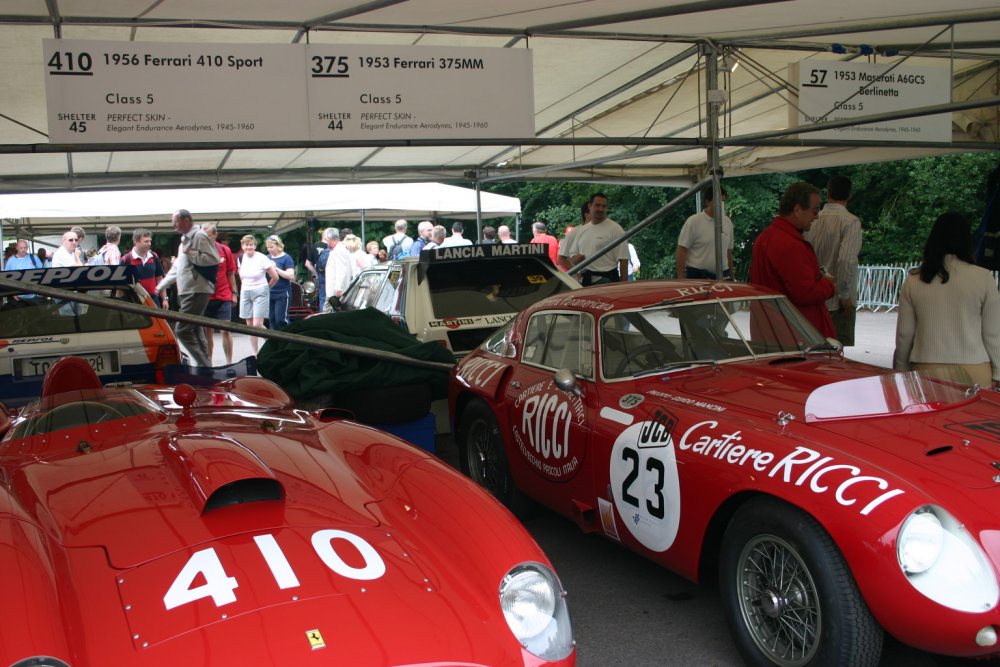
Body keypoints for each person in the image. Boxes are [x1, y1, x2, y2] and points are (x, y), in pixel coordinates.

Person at [893, 212, 1000, 388]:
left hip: (926, 371)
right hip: (975, 371)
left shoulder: (914, 280)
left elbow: (904, 335)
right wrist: (997, 371)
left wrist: (901, 367)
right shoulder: (983, 278)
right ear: (967, 240)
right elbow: (993, 333)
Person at [750, 182, 835, 338]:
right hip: (794, 334)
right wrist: (828, 283)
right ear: (797, 210)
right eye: (814, 211)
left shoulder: (766, 237)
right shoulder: (789, 244)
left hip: (770, 329)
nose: (816, 217)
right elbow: (805, 293)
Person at [155, 209, 220, 367]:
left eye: (175, 222)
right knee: (195, 329)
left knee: (182, 330)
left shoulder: (199, 236)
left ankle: (204, 365)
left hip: (196, 289)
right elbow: (177, 267)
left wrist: (190, 253)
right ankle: (206, 366)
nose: (174, 226)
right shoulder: (185, 240)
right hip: (189, 290)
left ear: (185, 220)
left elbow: (213, 259)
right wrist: (161, 286)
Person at [804, 175, 863, 346]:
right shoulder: (851, 222)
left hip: (813, 294)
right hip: (836, 299)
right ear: (850, 195)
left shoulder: (813, 219)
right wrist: (844, 295)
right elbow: (846, 260)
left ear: (828, 193)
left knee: (812, 348)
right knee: (835, 351)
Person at [561, 193, 629, 285]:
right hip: (585, 280)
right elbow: (573, 256)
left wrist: (623, 286)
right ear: (590, 206)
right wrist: (576, 259)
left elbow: (624, 259)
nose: (600, 209)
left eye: (604, 206)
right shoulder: (582, 230)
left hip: (607, 280)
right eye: (597, 205)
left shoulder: (616, 229)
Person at [676, 186, 734, 279]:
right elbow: (682, 249)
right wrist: (680, 277)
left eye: (723, 201)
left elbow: (729, 252)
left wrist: (732, 275)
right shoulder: (693, 221)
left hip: (724, 275)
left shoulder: (728, 222)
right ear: (707, 202)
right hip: (698, 276)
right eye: (718, 201)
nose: (721, 205)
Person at [202, 223, 238, 364]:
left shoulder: (224, 250)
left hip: (223, 295)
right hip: (204, 297)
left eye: (209, 235)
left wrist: (234, 293)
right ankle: (208, 363)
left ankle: (229, 363)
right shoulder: (197, 251)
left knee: (225, 330)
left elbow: (230, 274)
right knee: (207, 331)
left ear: (215, 235)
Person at [238, 235, 277, 355]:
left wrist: (266, 288)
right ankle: (255, 353)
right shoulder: (240, 258)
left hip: (261, 290)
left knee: (257, 324)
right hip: (246, 291)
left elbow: (275, 277)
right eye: (246, 244)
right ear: (242, 246)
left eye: (251, 244)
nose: (248, 247)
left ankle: (273, 342)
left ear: (255, 246)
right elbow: (241, 276)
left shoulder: (262, 257)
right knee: (250, 326)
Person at [121, 228, 167, 308]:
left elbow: (159, 278)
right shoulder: (126, 259)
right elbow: (121, 285)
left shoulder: (154, 257)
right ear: (136, 241)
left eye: (150, 241)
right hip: (134, 301)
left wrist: (164, 299)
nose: (149, 244)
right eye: (146, 241)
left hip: (153, 300)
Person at [265, 234, 295, 330]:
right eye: (268, 247)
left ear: (278, 246)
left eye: (272, 247)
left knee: (281, 319)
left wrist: (276, 269)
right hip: (270, 292)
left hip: (282, 293)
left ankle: (289, 338)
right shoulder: (266, 258)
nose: (269, 249)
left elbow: (291, 276)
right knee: (272, 319)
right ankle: (274, 341)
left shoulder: (287, 258)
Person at [323, 227, 353, 312]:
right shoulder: (340, 249)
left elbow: (341, 270)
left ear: (329, 239)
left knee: (327, 313)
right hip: (335, 289)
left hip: (334, 290)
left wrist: (338, 288)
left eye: (326, 238)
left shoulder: (338, 251)